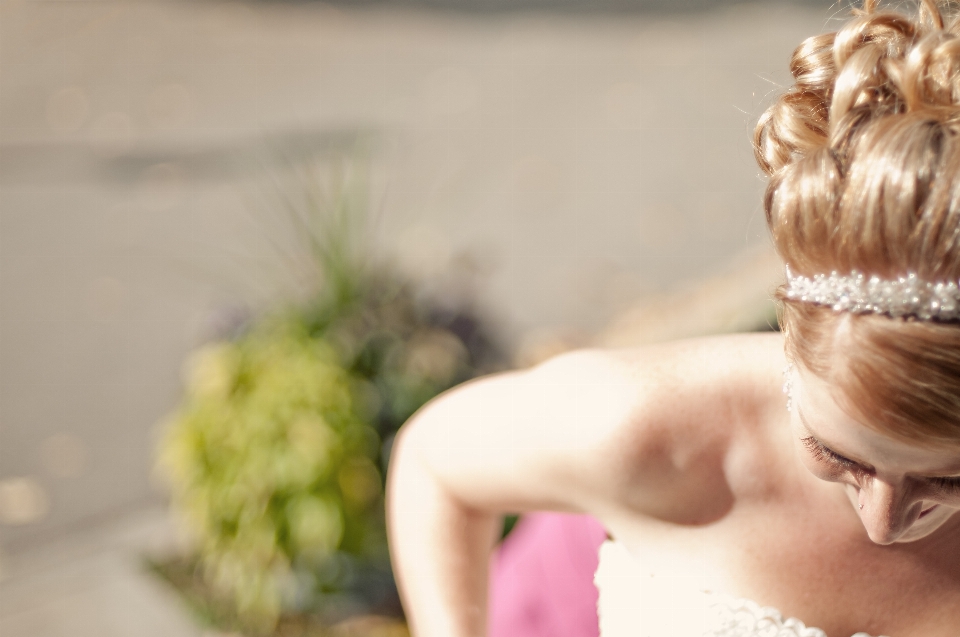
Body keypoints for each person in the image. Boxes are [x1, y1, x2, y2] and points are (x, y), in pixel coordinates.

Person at [386, 0, 960, 635]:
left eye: (949, 479)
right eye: (833, 451)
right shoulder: (643, 425)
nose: (883, 522)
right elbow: (435, 465)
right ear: (790, 347)